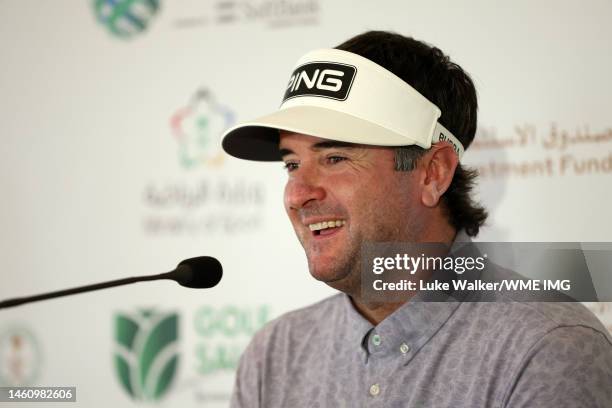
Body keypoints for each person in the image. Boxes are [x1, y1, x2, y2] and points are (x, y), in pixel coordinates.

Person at [221, 31, 612, 407]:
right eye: (292, 164)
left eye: (335, 158)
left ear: (433, 173)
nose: (297, 194)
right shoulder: (274, 355)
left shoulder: (545, 348)